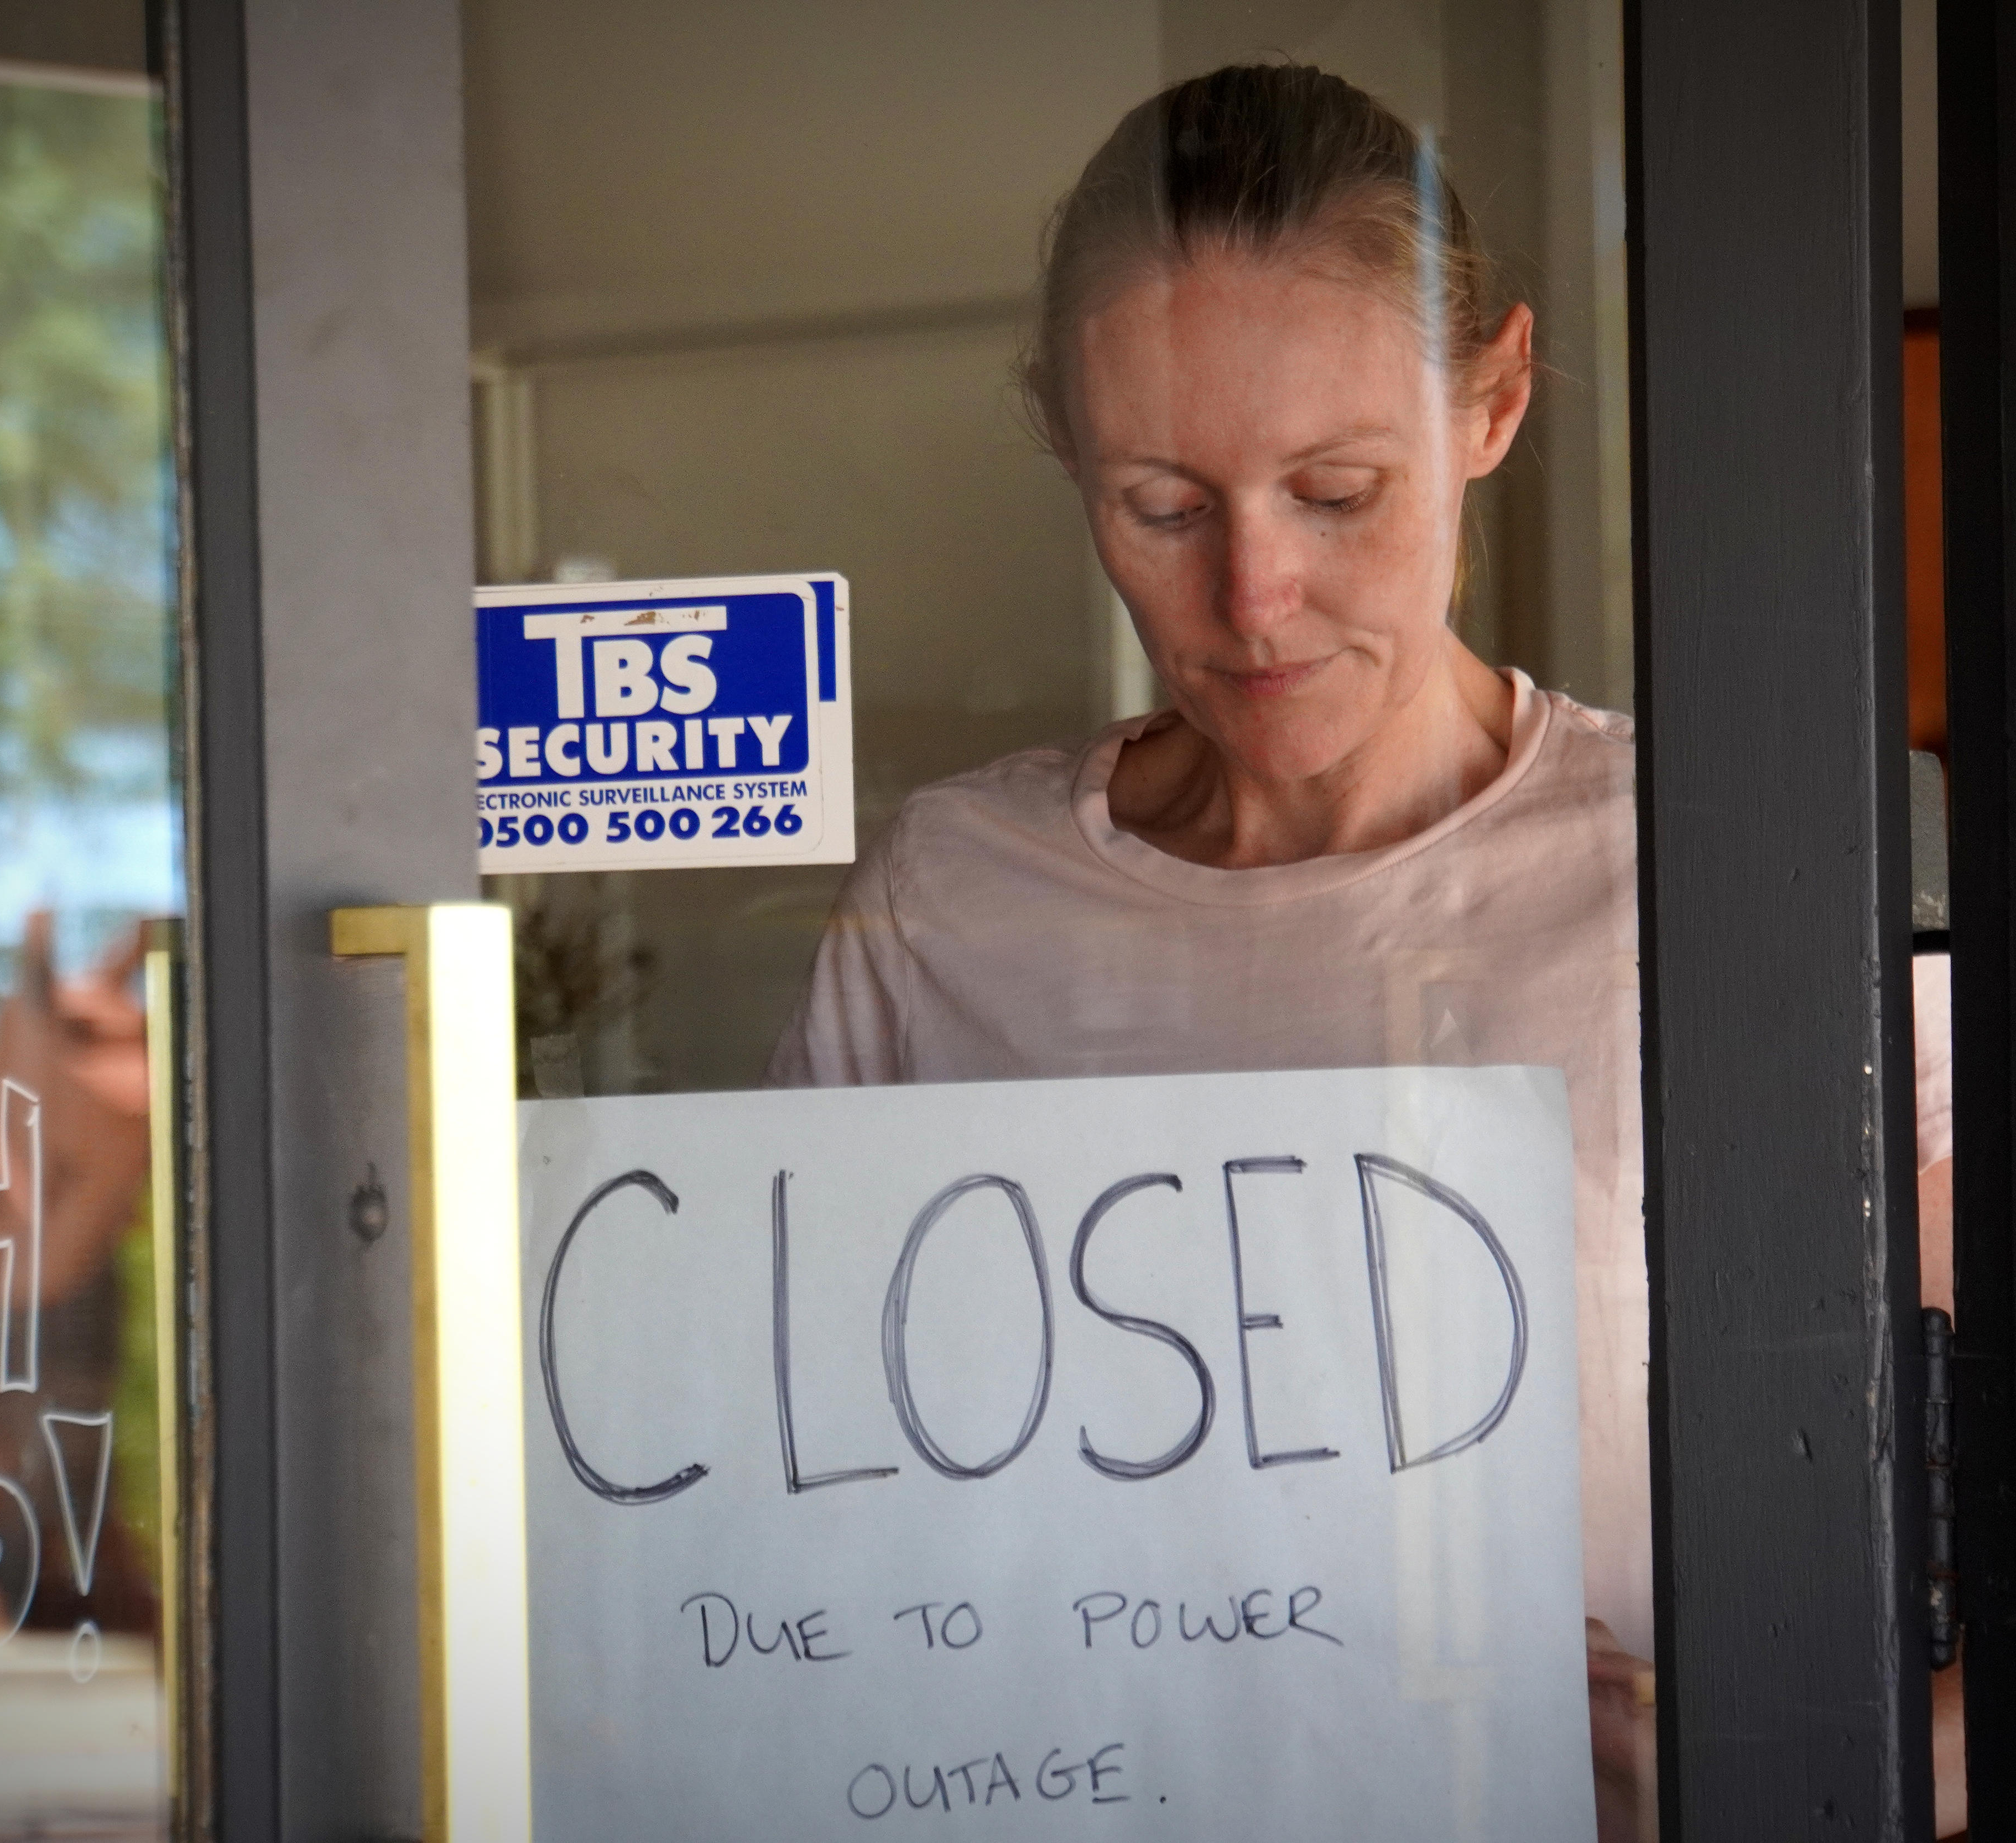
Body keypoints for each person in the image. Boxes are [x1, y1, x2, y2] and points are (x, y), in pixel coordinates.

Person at [770, 62, 1956, 1840]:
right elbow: (817, 1520)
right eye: (1162, 508)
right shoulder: (954, 904)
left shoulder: (1743, 872)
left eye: (1338, 491)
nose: (1254, 600)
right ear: (1066, 448)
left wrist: (1773, 1764)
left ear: (1495, 403)